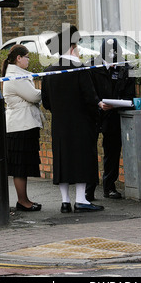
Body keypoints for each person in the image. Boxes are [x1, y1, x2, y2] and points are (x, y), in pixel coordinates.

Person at [41, 24, 105, 213]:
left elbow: (46, 102)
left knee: (63, 161)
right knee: (81, 161)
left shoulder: (49, 72)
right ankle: (81, 200)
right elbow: (90, 98)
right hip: (81, 124)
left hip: (60, 124)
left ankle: (65, 201)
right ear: (72, 48)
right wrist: (98, 113)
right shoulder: (80, 69)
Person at [86, 37, 136, 201]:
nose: (114, 65)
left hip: (114, 115)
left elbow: (131, 96)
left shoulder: (126, 68)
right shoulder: (90, 67)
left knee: (112, 152)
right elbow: (86, 92)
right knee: (90, 153)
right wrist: (98, 103)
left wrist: (116, 104)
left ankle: (109, 187)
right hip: (93, 114)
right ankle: (89, 190)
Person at [2, 44, 43, 212]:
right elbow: (33, 96)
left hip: (24, 125)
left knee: (24, 166)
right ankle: (22, 201)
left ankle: (24, 199)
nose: (28, 60)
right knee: (20, 167)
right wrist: (44, 90)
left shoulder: (18, 74)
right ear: (18, 58)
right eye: (26, 57)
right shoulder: (14, 76)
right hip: (20, 126)